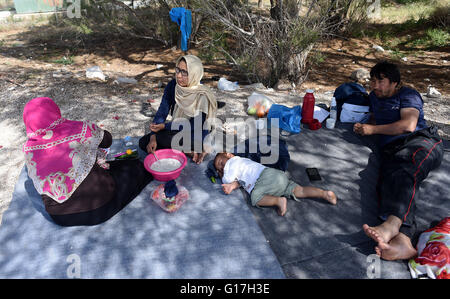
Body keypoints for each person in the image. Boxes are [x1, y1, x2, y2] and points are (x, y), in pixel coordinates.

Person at [353, 61, 444, 261]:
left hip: (421, 141)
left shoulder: (408, 95)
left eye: (381, 81)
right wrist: (366, 125)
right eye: (373, 81)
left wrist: (373, 130)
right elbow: (377, 118)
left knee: (406, 167)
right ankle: (403, 240)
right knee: (388, 181)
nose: (375, 86)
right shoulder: (374, 97)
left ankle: (391, 225)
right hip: (392, 149)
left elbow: (408, 125)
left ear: (395, 83)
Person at [23, 97, 153, 226]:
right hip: (100, 206)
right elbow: (107, 140)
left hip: (59, 216)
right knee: (135, 167)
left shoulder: (29, 149)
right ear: (54, 112)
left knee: (108, 167)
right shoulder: (79, 128)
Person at [139, 55, 217, 164]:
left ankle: (189, 150)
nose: (179, 76)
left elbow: (194, 125)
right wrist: (153, 137)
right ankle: (185, 151)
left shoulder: (202, 95)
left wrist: (165, 126)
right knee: (144, 142)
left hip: (195, 135)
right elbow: (162, 111)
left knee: (169, 139)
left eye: (185, 72)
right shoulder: (173, 86)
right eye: (178, 70)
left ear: (194, 73)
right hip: (177, 129)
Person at [214, 152, 337, 216]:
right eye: (219, 168)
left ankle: (278, 201)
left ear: (229, 155)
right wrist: (232, 186)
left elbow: (227, 178)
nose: (221, 167)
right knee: (300, 191)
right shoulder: (241, 166)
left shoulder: (233, 162)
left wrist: (221, 177)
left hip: (264, 178)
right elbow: (240, 181)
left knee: (255, 198)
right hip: (276, 176)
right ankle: (324, 193)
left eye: (220, 162)